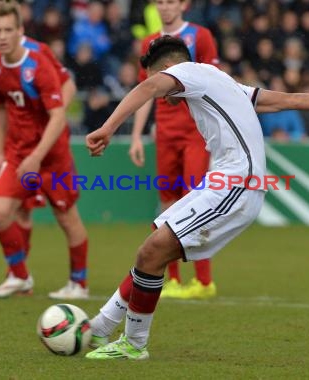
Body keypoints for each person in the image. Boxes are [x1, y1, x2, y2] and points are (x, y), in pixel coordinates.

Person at [85, 36, 309, 359]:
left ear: (170, 69)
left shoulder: (189, 71)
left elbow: (148, 89)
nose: (157, 92)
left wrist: (108, 127)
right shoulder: (224, 84)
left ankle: (134, 344)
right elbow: (289, 99)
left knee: (152, 250)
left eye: (155, 76)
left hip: (236, 183)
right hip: (224, 182)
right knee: (152, 251)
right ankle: (100, 327)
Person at [0, 0, 89, 299]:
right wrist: (0, 152)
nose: (1, 36)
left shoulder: (38, 61)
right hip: (17, 152)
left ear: (20, 30)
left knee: (66, 217)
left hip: (51, 156)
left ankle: (79, 282)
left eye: (7, 30)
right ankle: (19, 276)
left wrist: (39, 152)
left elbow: (60, 110)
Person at [129, 0, 219, 300]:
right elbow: (145, 91)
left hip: (195, 133)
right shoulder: (149, 42)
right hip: (164, 134)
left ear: (183, 4)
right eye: (161, 2)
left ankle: (204, 281)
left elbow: (213, 82)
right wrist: (137, 135)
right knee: (168, 203)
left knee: (195, 202)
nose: (165, 7)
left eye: (171, 1)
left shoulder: (200, 36)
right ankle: (173, 280)